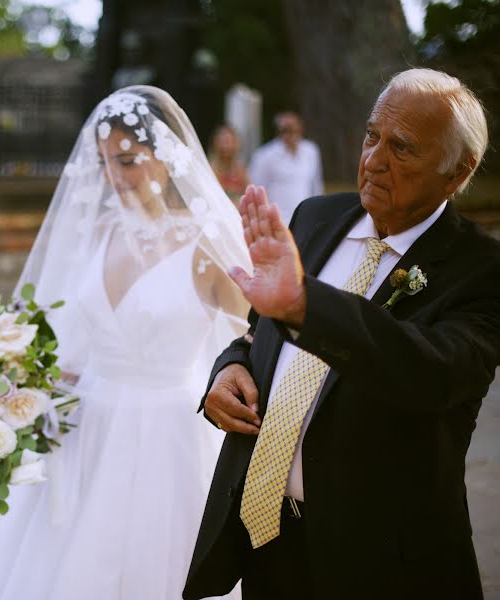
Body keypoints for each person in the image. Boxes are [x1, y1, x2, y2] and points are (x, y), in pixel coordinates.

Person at [184, 68, 500, 600]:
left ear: (458, 170)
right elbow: (262, 333)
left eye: (402, 147)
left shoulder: (481, 268)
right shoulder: (314, 218)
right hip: (268, 539)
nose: (374, 160)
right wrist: (229, 369)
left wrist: (308, 305)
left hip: (385, 562)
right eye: (371, 135)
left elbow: (431, 373)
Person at [0, 86, 250, 599]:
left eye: (128, 161)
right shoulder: (100, 229)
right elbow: (71, 340)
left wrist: (230, 379)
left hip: (167, 437)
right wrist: (11, 391)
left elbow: (259, 333)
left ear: (166, 157)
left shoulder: (205, 245)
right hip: (83, 432)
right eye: (106, 162)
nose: (114, 177)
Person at [248, 111, 323, 224]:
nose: (289, 134)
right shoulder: (264, 155)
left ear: (300, 129)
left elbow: (316, 185)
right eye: (284, 130)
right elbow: (256, 189)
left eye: (293, 130)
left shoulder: (311, 151)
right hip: (278, 221)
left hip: (306, 219)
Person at [208, 125, 249, 204]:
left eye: (229, 141)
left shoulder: (240, 170)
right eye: (222, 141)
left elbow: (247, 191)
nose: (226, 146)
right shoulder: (210, 169)